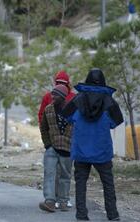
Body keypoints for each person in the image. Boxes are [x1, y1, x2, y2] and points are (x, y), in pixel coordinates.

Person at [62, 68, 123, 221]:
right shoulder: (110, 102)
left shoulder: (77, 100)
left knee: (80, 184)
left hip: (81, 151)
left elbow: (66, 117)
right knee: (108, 184)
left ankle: (81, 215)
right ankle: (113, 215)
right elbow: (115, 122)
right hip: (102, 151)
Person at [37, 70, 75, 209]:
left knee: (65, 176)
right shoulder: (48, 109)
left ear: (63, 97)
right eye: (52, 94)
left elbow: (77, 129)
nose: (51, 97)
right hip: (52, 148)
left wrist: (72, 145)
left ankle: (63, 201)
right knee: (49, 173)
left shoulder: (73, 109)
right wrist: (48, 145)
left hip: (67, 149)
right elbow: (43, 127)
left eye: (55, 95)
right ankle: (50, 201)